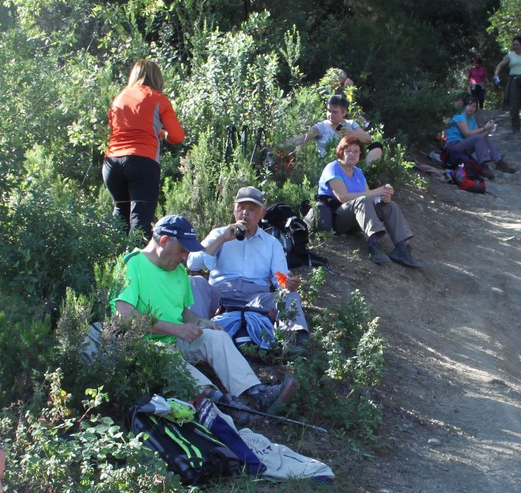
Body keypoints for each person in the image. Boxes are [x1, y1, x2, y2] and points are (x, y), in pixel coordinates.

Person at [115, 214, 298, 410]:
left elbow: (182, 312)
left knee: (217, 338)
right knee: (170, 359)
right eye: (182, 251)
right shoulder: (131, 265)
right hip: (145, 346)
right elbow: (123, 316)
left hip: (176, 341)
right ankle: (224, 405)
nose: (184, 258)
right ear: (164, 241)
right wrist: (175, 329)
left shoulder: (178, 271)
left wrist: (203, 323)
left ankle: (257, 392)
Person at [187, 186, 309, 338]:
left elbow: (280, 279)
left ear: (262, 213)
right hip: (220, 295)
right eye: (241, 207)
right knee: (195, 282)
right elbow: (192, 264)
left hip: (256, 298)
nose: (245, 213)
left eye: (251, 209)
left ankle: (292, 342)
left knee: (289, 296)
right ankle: (196, 335)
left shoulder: (272, 243)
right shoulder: (219, 234)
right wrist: (221, 240)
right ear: (233, 209)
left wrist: (288, 284)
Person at [103, 59, 185, 239]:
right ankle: (136, 256)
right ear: (157, 79)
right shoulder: (158, 99)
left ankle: (113, 255)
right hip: (142, 162)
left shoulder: (119, 98)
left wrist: (156, 131)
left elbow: (114, 128)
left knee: (120, 213)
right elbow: (177, 136)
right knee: (140, 221)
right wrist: (164, 135)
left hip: (112, 163)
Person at [318, 136, 421, 268]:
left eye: (356, 151)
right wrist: (376, 192)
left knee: (390, 206)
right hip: (336, 218)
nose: (352, 154)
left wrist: (381, 198)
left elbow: (370, 198)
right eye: (348, 151)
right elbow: (343, 197)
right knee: (362, 200)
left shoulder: (358, 172)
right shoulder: (333, 168)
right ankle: (374, 244)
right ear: (341, 152)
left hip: (358, 218)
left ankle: (402, 248)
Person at [296, 93, 384, 165]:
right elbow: (303, 138)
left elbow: (368, 139)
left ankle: (364, 174)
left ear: (344, 112)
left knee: (376, 146)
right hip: (330, 164)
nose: (330, 114)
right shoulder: (321, 127)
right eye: (329, 111)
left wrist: (352, 134)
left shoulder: (351, 124)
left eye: (334, 112)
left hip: (351, 162)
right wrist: (287, 143)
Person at [443, 96, 516, 176]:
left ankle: (499, 163)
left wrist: (489, 130)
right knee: (477, 138)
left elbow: (481, 139)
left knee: (481, 139)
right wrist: (484, 128)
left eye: (474, 106)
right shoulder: (459, 116)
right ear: (464, 106)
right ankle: (483, 165)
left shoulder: (472, 120)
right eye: (469, 105)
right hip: (453, 147)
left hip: (464, 147)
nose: (471, 108)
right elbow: (467, 134)